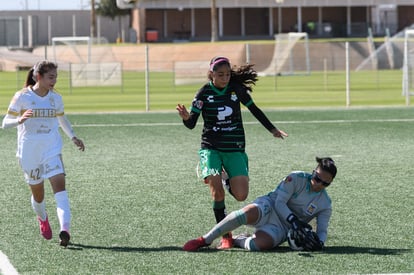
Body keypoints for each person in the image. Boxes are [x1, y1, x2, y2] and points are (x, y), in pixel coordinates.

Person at [176, 56, 288, 249]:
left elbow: (254, 109)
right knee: (217, 194)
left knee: (241, 196)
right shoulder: (203, 93)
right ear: (211, 74)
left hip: (234, 148)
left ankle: (226, 177)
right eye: (220, 74)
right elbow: (192, 124)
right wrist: (186, 118)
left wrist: (272, 129)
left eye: (227, 74)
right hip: (211, 147)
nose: (225, 78)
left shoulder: (237, 89)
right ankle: (226, 236)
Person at [2, 60, 85, 247]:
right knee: (39, 196)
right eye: (51, 77)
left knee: (61, 190)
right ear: (38, 76)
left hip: (51, 148)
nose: (54, 80)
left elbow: (62, 119)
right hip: (29, 152)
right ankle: (43, 218)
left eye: (55, 76)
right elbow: (5, 123)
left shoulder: (55, 98)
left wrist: (73, 137)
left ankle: (65, 229)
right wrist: (20, 120)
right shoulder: (22, 96)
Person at [183, 157, 337, 252]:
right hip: (270, 206)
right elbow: (279, 202)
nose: (319, 184)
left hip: (283, 228)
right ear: (314, 172)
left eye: (325, 183)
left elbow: (322, 229)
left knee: (260, 245)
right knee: (246, 213)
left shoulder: (325, 204)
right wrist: (294, 220)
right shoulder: (296, 178)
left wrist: (320, 243)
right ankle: (205, 239)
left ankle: (235, 240)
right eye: (317, 178)